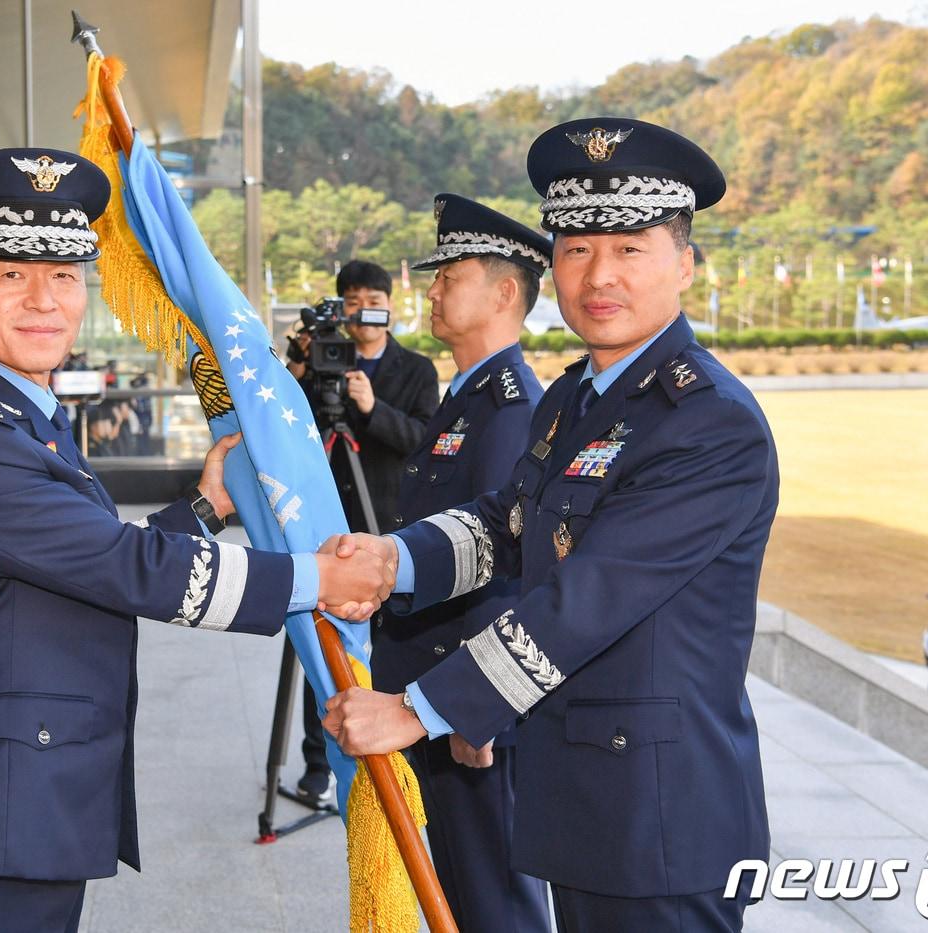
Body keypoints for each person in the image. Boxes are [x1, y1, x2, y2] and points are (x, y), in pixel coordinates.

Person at [0, 147, 393, 933]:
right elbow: (123, 566)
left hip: (12, 813)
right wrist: (313, 579)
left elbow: (75, 560)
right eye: (11, 274)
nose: (45, 300)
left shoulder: (19, 413)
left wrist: (204, 508)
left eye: (66, 275)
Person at [321, 118, 777, 933]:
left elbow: (587, 600)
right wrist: (394, 558)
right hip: (582, 798)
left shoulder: (708, 422)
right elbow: (505, 526)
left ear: (684, 262)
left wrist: (422, 707)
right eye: (575, 249)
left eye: (630, 249)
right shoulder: (575, 400)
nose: (598, 275)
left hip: (663, 820)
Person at [375, 193, 553, 931]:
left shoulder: (512, 407)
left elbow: (503, 566)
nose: (435, 288)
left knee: (492, 904)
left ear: (505, 293)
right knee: (456, 892)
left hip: (466, 703)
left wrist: (477, 709)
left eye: (452, 274)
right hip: (436, 691)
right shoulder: (467, 398)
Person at [287, 258, 440, 802]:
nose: (362, 310)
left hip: (388, 525)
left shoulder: (416, 369)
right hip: (332, 526)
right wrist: (301, 375)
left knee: (389, 645)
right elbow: (294, 437)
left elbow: (424, 440)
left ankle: (396, 751)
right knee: (322, 645)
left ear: (389, 304)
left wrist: (373, 409)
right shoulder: (323, 360)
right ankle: (316, 765)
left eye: (372, 299)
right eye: (351, 301)